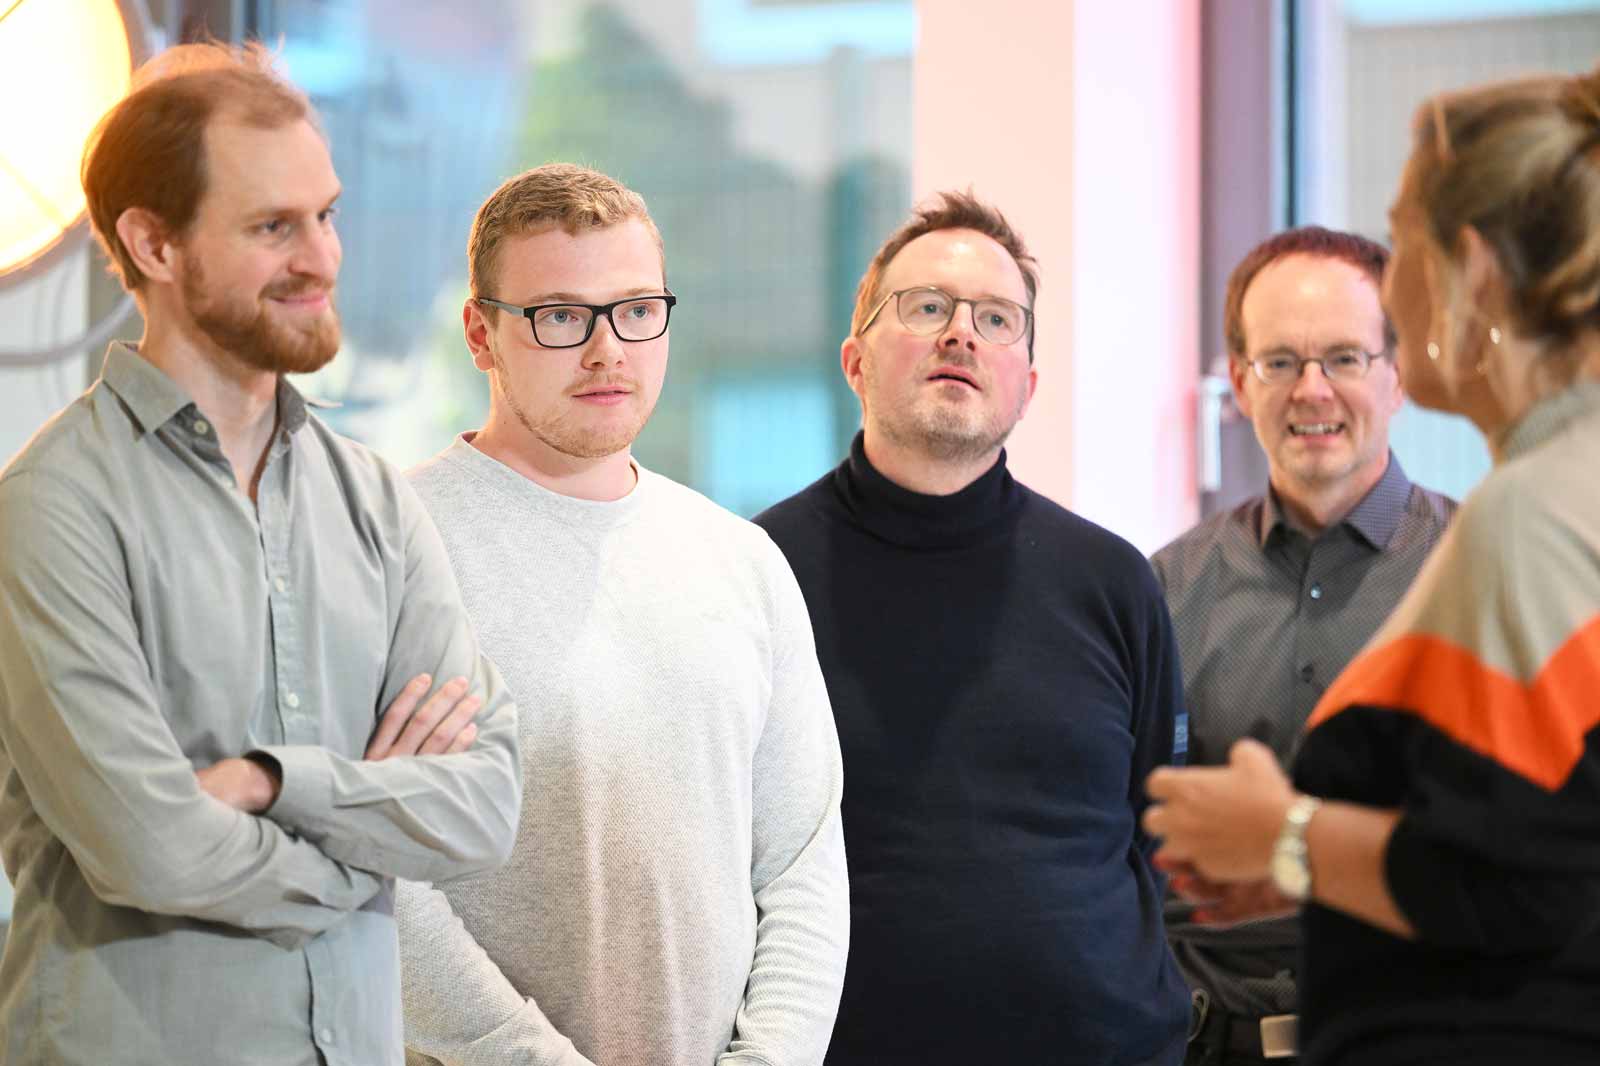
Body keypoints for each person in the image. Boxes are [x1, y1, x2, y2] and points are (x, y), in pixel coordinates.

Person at [0, 42, 522, 1066]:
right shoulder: (52, 506)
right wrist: (357, 855)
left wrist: (268, 782)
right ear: (154, 243)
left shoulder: (371, 496)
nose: (322, 259)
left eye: (324, 215)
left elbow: (483, 809)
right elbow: (150, 846)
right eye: (272, 227)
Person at [1145, 66, 1600, 1066]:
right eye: (1278, 361)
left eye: (1403, 238)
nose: (1316, 384)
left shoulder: (1526, 515)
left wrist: (1289, 836)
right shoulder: (1558, 488)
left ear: (1468, 270)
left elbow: (1523, 877)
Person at [395, 163, 848, 1066]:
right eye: (562, 316)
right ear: (481, 335)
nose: (609, 350)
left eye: (637, 310)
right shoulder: (389, 552)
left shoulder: (743, 562)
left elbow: (801, 861)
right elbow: (368, 870)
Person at [754, 191, 1188, 1066]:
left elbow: (1155, 831)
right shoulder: (758, 571)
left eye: (997, 319)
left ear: (1027, 384)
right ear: (855, 360)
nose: (961, 334)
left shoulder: (1111, 581)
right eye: (925, 308)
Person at [1151, 226, 1455, 1064]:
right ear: (1242, 384)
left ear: (1397, 375)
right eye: (1280, 362)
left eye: (1345, 359)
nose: (1311, 391)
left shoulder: (1481, 579)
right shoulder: (1164, 591)